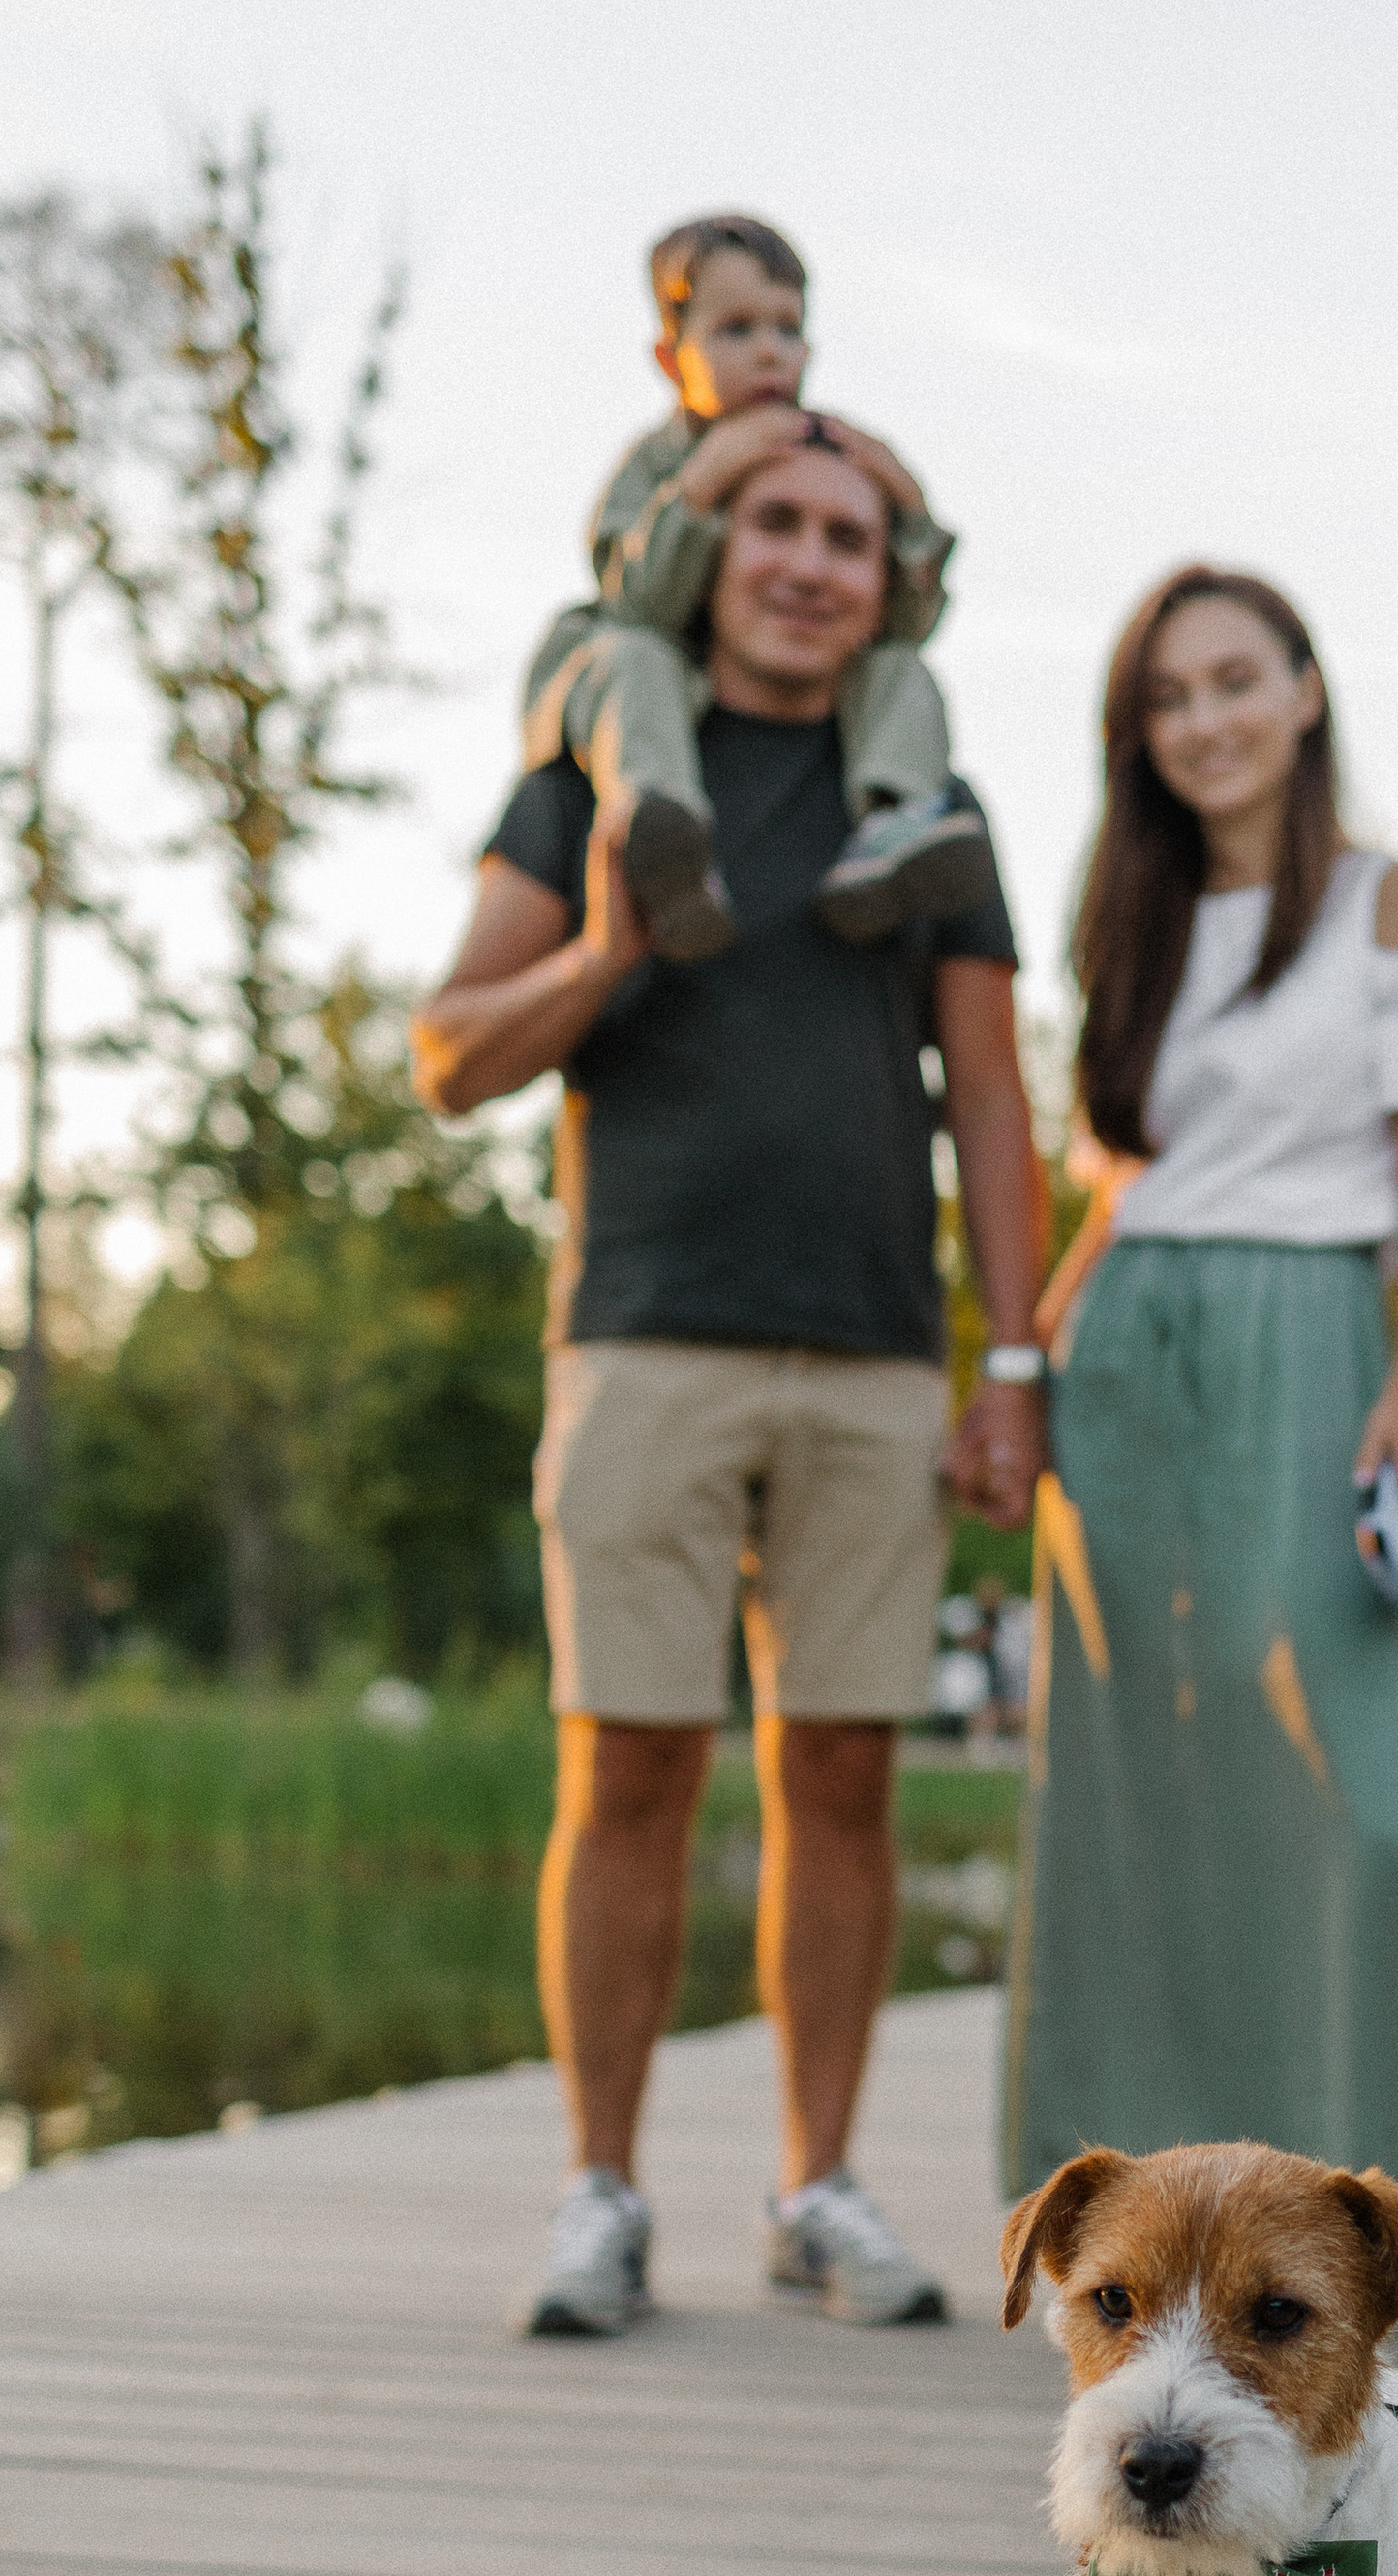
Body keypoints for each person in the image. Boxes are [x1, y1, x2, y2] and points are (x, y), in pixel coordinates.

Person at [414, 431, 1045, 2339]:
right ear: (706, 547)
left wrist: (1008, 1358)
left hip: (868, 1355)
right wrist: (610, 943)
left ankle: (814, 2186)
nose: (806, 561)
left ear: (888, 575)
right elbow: (448, 1055)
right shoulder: (591, 770)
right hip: (644, 1336)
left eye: (845, 537)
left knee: (842, 1776)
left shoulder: (926, 799)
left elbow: (992, 1100)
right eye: (774, 524)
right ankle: (598, 2195)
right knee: (626, 1774)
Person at [1003, 564, 1398, 2372]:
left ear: (1302, 690)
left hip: (1315, 1347)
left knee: (1383, 1809)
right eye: (1167, 696)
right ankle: (1147, 2262)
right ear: (1140, 734)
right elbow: (1121, 1178)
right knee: (1143, 1802)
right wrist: (1022, 1369)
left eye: (1234, 679)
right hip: (1126, 1360)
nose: (1204, 719)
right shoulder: (1123, 916)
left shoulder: (1396, 899)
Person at [520, 210, 993, 962]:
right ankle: (661, 831)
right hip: (645, 690)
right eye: (736, 330)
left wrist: (907, 507)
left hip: (796, 703)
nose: (769, 353)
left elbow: (902, 625)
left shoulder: (825, 453)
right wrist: (703, 485)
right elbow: (639, 606)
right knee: (633, 655)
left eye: (787, 329)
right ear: (672, 359)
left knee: (902, 672)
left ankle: (897, 823)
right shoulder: (656, 467)